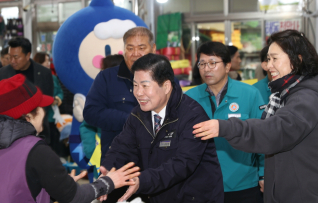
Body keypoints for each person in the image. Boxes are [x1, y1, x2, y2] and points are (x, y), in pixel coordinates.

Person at [0, 74, 141, 203]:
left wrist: (59, 187)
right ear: (28, 116)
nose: (45, 112)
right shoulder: (35, 151)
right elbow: (74, 198)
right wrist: (109, 182)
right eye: (41, 107)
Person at [193, 30, 318, 203]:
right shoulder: (283, 95)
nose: (267, 66)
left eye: (274, 59)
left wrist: (225, 127)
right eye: (268, 59)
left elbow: (274, 131)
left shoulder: (305, 98)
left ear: (297, 59)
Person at [101, 54, 223, 202]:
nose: (138, 93)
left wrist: (142, 181)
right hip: (157, 196)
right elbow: (122, 147)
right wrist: (108, 171)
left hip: (192, 197)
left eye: (145, 86)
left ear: (166, 86)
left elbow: (182, 164)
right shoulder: (138, 114)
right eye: (135, 85)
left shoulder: (193, 116)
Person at [84, 27, 156, 202]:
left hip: (155, 168)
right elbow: (91, 113)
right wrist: (131, 120)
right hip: (117, 167)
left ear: (153, 49)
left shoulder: (164, 79)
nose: (135, 53)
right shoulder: (107, 78)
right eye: (130, 48)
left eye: (141, 48)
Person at [186, 42, 265, 203]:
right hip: (201, 186)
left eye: (213, 63)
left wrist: (264, 173)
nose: (207, 68)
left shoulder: (250, 94)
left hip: (243, 185)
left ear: (227, 66)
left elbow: (263, 136)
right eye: (202, 63)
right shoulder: (189, 98)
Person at [0, 37, 54, 144]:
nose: (12, 61)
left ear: (27, 55)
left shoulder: (44, 73)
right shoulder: (2, 74)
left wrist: (33, 118)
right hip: (11, 133)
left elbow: (48, 98)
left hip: (39, 130)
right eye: (10, 57)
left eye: (16, 57)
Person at [33, 52, 68, 158]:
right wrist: (48, 100)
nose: (49, 63)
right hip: (40, 116)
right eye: (46, 61)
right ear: (39, 62)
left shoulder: (53, 77)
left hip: (53, 115)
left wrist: (57, 99)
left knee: (54, 142)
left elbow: (60, 92)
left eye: (49, 60)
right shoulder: (34, 78)